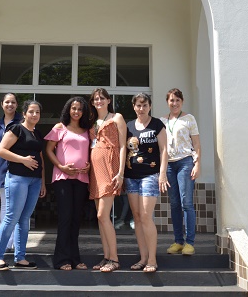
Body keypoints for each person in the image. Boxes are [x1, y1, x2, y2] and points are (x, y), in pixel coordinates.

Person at [0, 100, 46, 270]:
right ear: (24, 114)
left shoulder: (37, 134)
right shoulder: (16, 128)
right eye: (31, 112)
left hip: (34, 181)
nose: (34, 115)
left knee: (24, 219)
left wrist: (43, 181)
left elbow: (40, 158)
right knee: (11, 217)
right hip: (17, 178)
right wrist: (23, 160)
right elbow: (1, 150)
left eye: (37, 112)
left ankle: (20, 257)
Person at [45, 97, 92, 270]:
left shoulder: (87, 130)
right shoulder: (60, 127)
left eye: (80, 109)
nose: (76, 112)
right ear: (68, 109)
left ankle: (75, 258)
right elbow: (49, 150)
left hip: (81, 179)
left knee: (75, 219)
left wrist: (89, 165)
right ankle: (61, 260)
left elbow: (90, 152)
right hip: (62, 179)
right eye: (73, 108)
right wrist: (61, 166)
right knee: (65, 218)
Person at [124, 92, 168, 273]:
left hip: (150, 175)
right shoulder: (128, 127)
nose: (141, 108)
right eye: (138, 105)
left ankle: (152, 259)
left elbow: (164, 150)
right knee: (136, 217)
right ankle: (142, 258)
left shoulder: (157, 124)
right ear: (133, 106)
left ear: (150, 106)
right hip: (131, 176)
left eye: (144, 105)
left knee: (145, 216)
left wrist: (162, 174)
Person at [88, 88, 127, 273]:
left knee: (103, 216)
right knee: (100, 218)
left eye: (102, 98)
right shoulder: (92, 121)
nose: (99, 101)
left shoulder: (116, 117)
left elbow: (122, 146)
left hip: (110, 168)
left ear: (108, 100)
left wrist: (120, 173)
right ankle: (106, 257)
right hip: (95, 171)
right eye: (95, 99)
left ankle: (115, 259)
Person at [163, 88, 201, 256]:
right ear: (167, 102)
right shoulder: (162, 121)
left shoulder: (189, 119)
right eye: (172, 100)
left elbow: (197, 144)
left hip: (185, 162)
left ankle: (189, 243)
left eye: (177, 100)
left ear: (182, 102)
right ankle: (178, 241)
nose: (175, 103)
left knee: (186, 203)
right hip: (169, 164)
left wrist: (197, 164)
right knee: (174, 204)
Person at [0, 93, 21, 250]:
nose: (10, 105)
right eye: (7, 102)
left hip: (18, 168)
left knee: (17, 208)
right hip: (1, 168)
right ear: (2, 104)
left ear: (17, 105)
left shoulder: (22, 122)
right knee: (5, 206)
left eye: (13, 102)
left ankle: (16, 243)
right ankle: (5, 242)